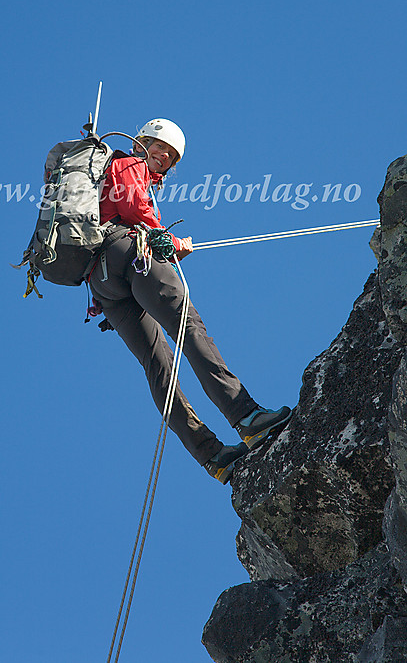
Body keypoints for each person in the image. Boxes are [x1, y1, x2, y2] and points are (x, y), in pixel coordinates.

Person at [89, 118, 292, 484]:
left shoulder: (109, 173)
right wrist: (170, 240)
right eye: (159, 147)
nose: (163, 156)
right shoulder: (131, 164)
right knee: (189, 329)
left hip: (103, 286)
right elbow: (136, 210)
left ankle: (211, 455)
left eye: (169, 155)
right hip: (131, 253)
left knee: (158, 365)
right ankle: (245, 416)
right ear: (142, 143)